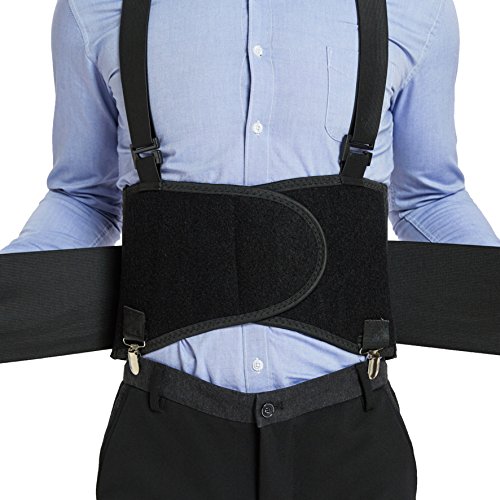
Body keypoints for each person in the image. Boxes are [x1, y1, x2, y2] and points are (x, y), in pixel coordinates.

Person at [1, 0, 499, 499]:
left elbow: (431, 198)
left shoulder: (413, 9)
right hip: (165, 432)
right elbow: (84, 198)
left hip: (346, 432)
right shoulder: (97, 8)